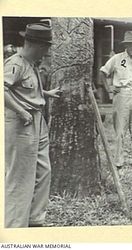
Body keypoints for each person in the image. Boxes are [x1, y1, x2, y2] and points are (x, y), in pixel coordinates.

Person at [4, 23, 62, 228]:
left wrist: (46, 94)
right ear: (37, 45)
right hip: (21, 122)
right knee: (19, 177)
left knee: (43, 171)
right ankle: (14, 227)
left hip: (36, 120)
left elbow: (25, 90)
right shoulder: (16, 64)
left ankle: (35, 220)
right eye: (46, 47)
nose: (47, 52)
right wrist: (21, 111)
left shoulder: (31, 64)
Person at [100, 31, 132, 170]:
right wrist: (109, 88)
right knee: (120, 129)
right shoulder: (117, 58)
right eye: (130, 43)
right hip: (122, 94)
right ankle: (118, 160)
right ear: (125, 44)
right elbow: (103, 72)